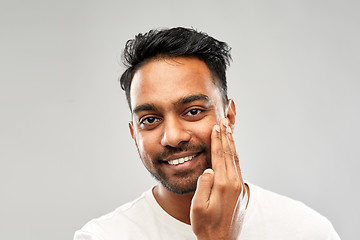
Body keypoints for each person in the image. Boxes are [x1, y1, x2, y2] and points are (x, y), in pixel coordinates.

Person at [74, 27, 340, 240]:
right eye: (150, 119)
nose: (173, 136)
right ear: (134, 134)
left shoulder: (306, 231)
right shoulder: (102, 236)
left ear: (229, 116)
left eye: (192, 111)